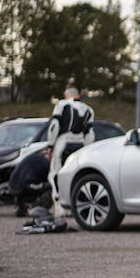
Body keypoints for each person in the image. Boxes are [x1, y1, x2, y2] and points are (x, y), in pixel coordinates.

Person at [46, 86, 94, 217]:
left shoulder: (62, 104)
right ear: (77, 95)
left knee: (55, 173)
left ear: (67, 95)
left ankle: (60, 207)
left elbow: (54, 126)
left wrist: (50, 146)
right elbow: (90, 134)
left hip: (63, 142)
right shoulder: (88, 109)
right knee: (77, 175)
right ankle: (82, 206)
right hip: (80, 144)